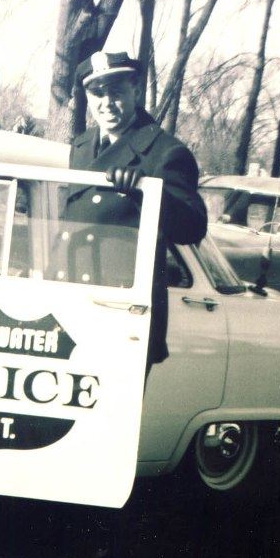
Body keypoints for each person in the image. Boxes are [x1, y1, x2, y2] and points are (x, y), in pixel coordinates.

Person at [67, 51, 208, 370]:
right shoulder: (81, 147)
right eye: (97, 93)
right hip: (75, 310)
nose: (106, 102)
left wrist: (147, 192)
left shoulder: (165, 152)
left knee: (114, 419)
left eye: (116, 91)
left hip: (127, 317)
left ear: (136, 91)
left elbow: (193, 227)